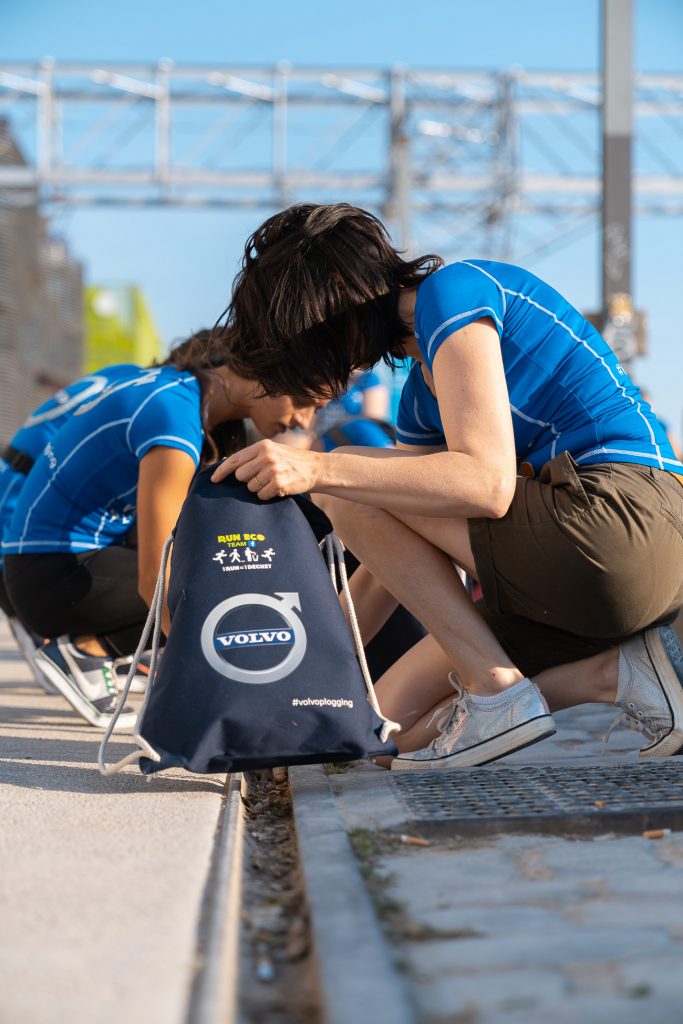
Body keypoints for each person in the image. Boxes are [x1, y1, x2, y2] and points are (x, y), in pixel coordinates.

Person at [211, 202, 683, 770]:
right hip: (571, 575)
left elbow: (485, 485)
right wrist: (290, 668)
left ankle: (497, 690)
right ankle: (608, 677)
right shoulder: (418, 402)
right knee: (383, 732)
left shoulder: (454, 291)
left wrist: (318, 471)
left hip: (630, 519)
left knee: (344, 480)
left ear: (338, 289)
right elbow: (388, 556)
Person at [2, 330, 325, 730]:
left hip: (48, 566)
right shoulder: (174, 413)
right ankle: (85, 649)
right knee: (221, 583)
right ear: (268, 372)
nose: (303, 419)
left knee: (224, 568)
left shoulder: (183, 395)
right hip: (50, 575)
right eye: (305, 401)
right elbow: (156, 576)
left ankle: (89, 648)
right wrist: (214, 680)